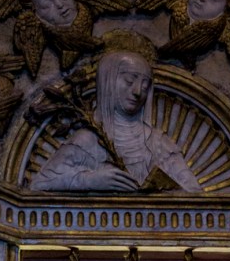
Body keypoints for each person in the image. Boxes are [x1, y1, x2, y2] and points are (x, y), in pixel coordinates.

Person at [30, 49, 203, 194]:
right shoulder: (86, 140)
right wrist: (89, 180)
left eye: (144, 86)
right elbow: (39, 184)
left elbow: (194, 195)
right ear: (108, 81)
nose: (137, 92)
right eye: (129, 80)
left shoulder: (158, 144)